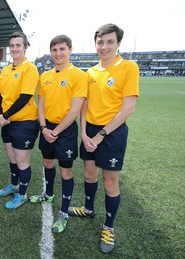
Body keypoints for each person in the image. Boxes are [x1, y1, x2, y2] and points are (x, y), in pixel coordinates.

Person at [68, 23, 139, 254]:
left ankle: (108, 226)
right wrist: (83, 132)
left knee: (110, 182)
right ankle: (88, 208)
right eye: (100, 42)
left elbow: (128, 109)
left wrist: (99, 136)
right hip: (91, 131)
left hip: (112, 132)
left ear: (118, 43)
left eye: (109, 42)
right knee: (88, 174)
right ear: (95, 43)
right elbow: (85, 105)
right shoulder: (90, 73)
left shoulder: (128, 68)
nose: (104, 46)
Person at [29, 35, 87, 233]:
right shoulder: (44, 76)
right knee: (47, 163)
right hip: (47, 128)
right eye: (54, 50)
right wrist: (44, 128)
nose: (58, 53)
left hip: (66, 130)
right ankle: (49, 194)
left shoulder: (79, 75)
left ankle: (63, 213)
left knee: (66, 171)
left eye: (62, 49)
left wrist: (55, 131)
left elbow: (75, 110)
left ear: (70, 49)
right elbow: (42, 105)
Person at [0, 32, 40, 209]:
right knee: (12, 158)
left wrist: (5, 116)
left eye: (18, 45)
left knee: (22, 161)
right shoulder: (6, 70)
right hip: (7, 123)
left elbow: (25, 97)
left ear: (25, 47)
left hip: (25, 123)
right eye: (12, 46)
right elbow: (0, 95)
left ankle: (22, 194)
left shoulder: (30, 68)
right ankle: (14, 185)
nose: (14, 49)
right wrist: (2, 115)